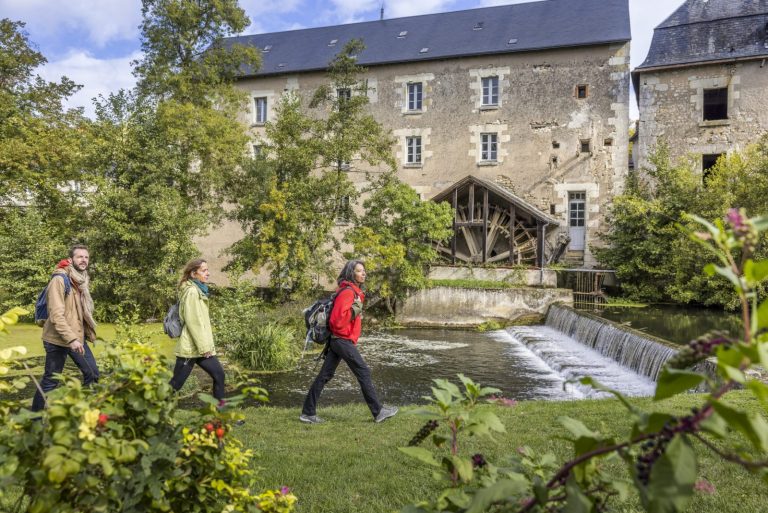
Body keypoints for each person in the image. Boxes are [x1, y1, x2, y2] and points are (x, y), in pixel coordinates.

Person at [300, 260, 398, 424]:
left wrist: (355, 310)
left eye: (364, 270)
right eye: (360, 271)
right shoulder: (347, 292)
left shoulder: (354, 292)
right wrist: (354, 310)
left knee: (325, 375)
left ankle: (307, 413)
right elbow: (336, 322)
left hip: (339, 340)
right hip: (341, 340)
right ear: (351, 273)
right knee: (364, 371)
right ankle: (378, 411)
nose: (364, 273)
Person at [31, 244, 99, 411]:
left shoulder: (80, 281)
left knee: (92, 374)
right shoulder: (60, 280)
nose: (84, 260)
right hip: (57, 339)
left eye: (86, 257)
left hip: (76, 337)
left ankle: (82, 412)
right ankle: (35, 419)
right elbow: (56, 315)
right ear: (71, 260)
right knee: (51, 381)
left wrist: (81, 336)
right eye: (80, 257)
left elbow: (78, 313)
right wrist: (72, 339)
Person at [168, 258, 226, 401]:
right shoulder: (192, 292)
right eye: (204, 270)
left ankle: (222, 417)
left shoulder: (198, 290)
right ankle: (150, 414)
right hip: (191, 348)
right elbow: (194, 322)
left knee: (219, 375)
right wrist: (204, 347)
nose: (208, 273)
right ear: (194, 274)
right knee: (175, 384)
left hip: (198, 348)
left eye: (207, 270)